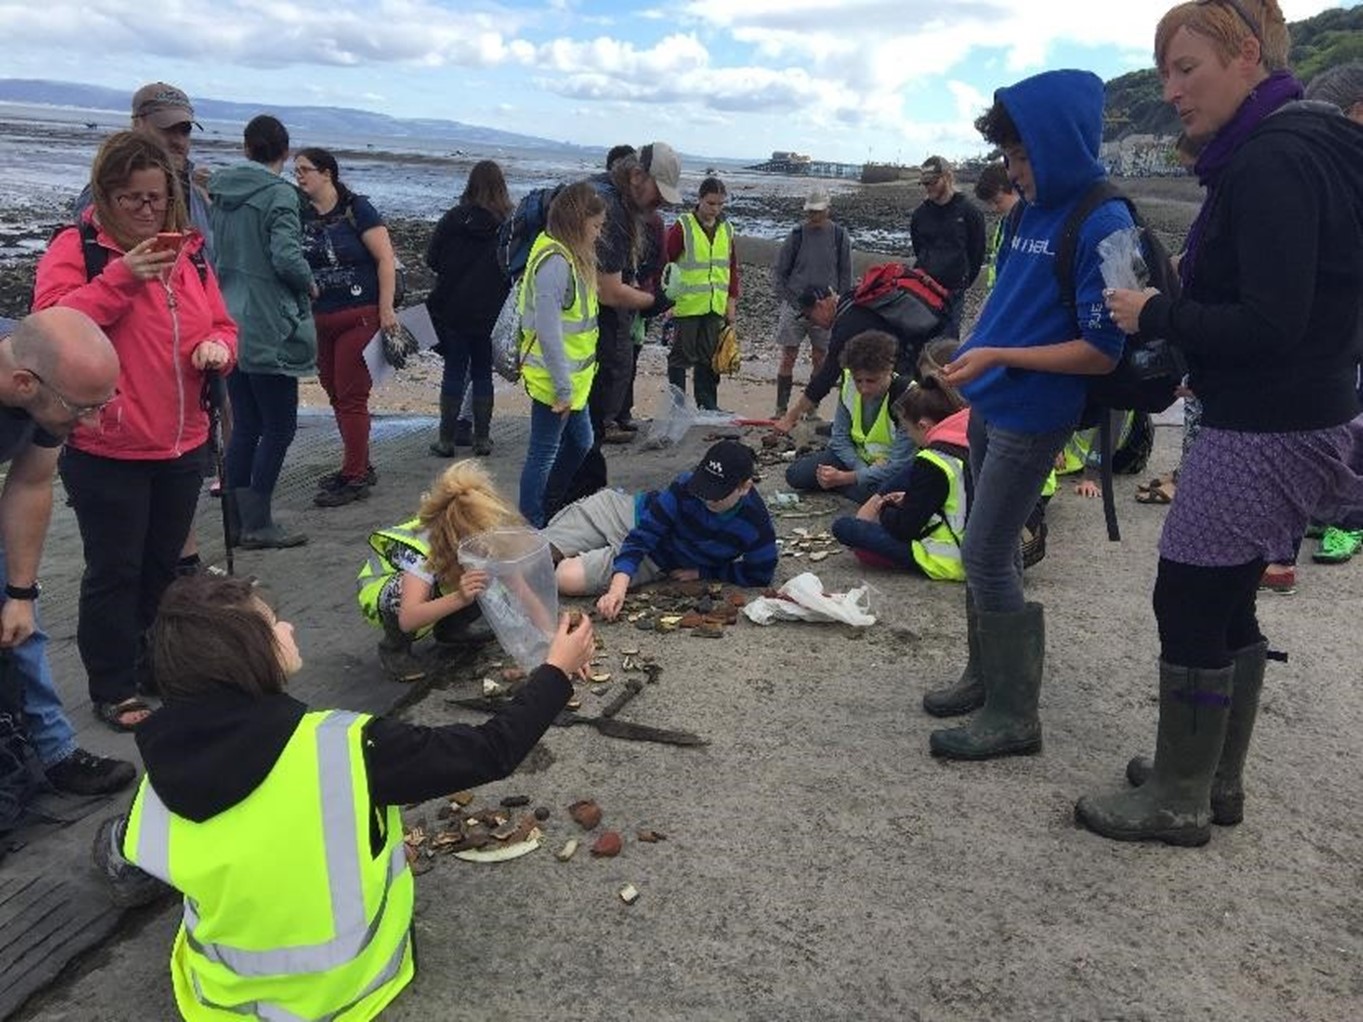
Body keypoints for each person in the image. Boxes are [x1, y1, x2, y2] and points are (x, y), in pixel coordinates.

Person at [1076, 1, 1363, 846]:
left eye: (1184, 68)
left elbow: (1269, 320)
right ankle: (1212, 779)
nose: (1170, 90)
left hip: (1263, 422)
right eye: (1163, 71)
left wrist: (1157, 312)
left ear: (1246, 58)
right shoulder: (1314, 146)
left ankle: (1177, 796)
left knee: (1189, 596)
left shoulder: (1271, 160)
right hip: (1308, 410)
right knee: (1229, 590)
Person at [91, 573, 595, 1020]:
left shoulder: (154, 779)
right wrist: (555, 671)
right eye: (274, 624)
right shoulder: (346, 745)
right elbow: (492, 750)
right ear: (249, 655)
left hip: (218, 1002)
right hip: (347, 991)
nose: (289, 629)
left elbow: (140, 856)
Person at [924, 71, 1134, 757]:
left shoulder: (1106, 220)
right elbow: (1008, 303)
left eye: (1023, 156)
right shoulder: (1022, 212)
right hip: (992, 400)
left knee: (986, 552)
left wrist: (996, 357)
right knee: (979, 545)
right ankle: (983, 677)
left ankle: (1016, 716)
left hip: (1035, 411)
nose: (1013, 172)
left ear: (1062, 143)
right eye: (1008, 158)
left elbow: (1101, 352)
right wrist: (972, 354)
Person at [33, 131, 238, 732]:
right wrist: (122, 276)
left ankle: (157, 666)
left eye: (157, 198)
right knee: (114, 569)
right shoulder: (79, 249)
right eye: (133, 199)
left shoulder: (191, 253)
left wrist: (217, 348)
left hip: (182, 438)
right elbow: (53, 330)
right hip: (108, 442)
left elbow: (224, 324)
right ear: (105, 195)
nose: (148, 210)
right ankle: (112, 683)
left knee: (162, 569)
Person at [73, 81, 217, 575]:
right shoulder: (92, 212)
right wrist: (122, 278)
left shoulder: (195, 196)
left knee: (163, 547)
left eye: (184, 129)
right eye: (167, 130)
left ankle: (186, 564)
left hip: (184, 400)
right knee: (118, 569)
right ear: (138, 126)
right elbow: (60, 321)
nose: (178, 139)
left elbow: (206, 276)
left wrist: (219, 336)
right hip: (117, 419)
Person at [0, 311, 136, 794]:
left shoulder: (46, 376)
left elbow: (31, 484)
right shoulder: (40, 383)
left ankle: (55, 753)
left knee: (21, 628)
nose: (94, 423)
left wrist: (19, 593)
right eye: (83, 409)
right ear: (22, 385)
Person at [209, 114, 315, 550]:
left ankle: (236, 521)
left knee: (248, 423)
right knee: (279, 425)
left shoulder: (220, 191)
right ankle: (258, 521)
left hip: (228, 313)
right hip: (268, 319)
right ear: (284, 154)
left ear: (246, 147)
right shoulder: (279, 196)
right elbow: (286, 256)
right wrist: (308, 282)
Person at [561, 142, 682, 509]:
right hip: (584, 336)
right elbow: (609, 291)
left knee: (580, 431)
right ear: (636, 176)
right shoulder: (608, 207)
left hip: (578, 333)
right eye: (657, 195)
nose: (658, 205)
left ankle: (580, 500)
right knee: (584, 428)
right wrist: (655, 301)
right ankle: (571, 508)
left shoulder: (601, 192)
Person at [547, 440, 777, 618]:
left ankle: (577, 559)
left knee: (565, 578)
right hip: (627, 513)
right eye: (703, 488)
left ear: (745, 487)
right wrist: (618, 588)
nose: (707, 499)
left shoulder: (754, 523)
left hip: (655, 555)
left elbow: (760, 573)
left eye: (716, 495)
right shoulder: (685, 484)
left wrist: (705, 572)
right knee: (537, 552)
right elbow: (644, 534)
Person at [295, 147, 400, 507]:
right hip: (321, 319)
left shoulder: (357, 208)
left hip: (360, 315)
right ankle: (358, 464)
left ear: (327, 173)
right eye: (296, 171)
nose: (300, 177)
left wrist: (386, 310)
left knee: (352, 396)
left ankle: (354, 477)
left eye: (306, 170)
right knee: (335, 393)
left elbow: (386, 259)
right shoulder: (301, 212)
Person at [357, 460, 517, 681]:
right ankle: (394, 649)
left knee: (481, 573)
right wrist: (460, 597)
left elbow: (518, 582)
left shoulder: (478, 536)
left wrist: (547, 635)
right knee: (404, 592)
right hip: (387, 594)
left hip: (439, 584)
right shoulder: (422, 549)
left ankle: (452, 628)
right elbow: (409, 618)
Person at [517, 182, 607, 528]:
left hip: (574, 379)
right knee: (543, 452)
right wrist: (563, 387)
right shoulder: (555, 261)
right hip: (554, 380)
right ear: (577, 221)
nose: (598, 235)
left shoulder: (569, 256)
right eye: (596, 226)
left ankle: (549, 504)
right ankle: (532, 522)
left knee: (581, 442)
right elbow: (549, 330)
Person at [830, 375, 970, 578]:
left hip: (950, 560)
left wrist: (886, 508)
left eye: (908, 429)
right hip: (990, 550)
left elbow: (905, 529)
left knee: (845, 528)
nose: (910, 436)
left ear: (923, 426)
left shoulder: (932, 461)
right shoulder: (972, 438)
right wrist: (910, 499)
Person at [425, 160, 513, 457]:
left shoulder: (454, 219)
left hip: (454, 307)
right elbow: (514, 268)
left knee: (453, 370)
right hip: (491, 312)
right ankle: (482, 438)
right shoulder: (507, 226)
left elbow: (432, 259)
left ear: (470, 184)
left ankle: (446, 439)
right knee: (482, 373)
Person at [772, 281, 934, 434]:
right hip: (917, 344)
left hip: (908, 360)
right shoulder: (852, 299)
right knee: (854, 374)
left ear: (820, 305)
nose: (813, 324)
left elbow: (826, 377)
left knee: (873, 384)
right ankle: (846, 424)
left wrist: (790, 418)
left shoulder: (846, 326)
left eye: (809, 317)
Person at [785, 331, 914, 504]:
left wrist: (846, 478)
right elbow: (839, 438)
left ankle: (842, 484)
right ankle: (847, 484)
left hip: (888, 466)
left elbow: (899, 463)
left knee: (883, 491)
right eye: (858, 380)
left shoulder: (907, 395)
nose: (864, 388)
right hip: (855, 457)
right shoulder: (848, 382)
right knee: (796, 475)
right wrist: (858, 468)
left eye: (871, 381)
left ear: (889, 370)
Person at [772, 187, 852, 417]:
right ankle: (780, 409)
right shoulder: (797, 235)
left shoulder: (839, 236)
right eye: (810, 212)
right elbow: (779, 271)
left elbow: (846, 273)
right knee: (788, 355)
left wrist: (840, 306)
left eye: (817, 212)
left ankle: (812, 409)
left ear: (828, 210)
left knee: (820, 358)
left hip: (826, 309)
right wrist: (787, 299)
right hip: (795, 306)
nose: (813, 216)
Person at [663, 176, 740, 411]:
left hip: (714, 305)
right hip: (687, 305)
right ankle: (677, 406)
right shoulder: (683, 226)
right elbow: (666, 264)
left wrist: (731, 301)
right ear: (700, 200)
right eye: (711, 203)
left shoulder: (726, 229)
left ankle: (708, 404)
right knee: (681, 356)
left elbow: (731, 267)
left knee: (709, 357)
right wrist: (667, 302)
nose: (715, 209)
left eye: (720, 204)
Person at [910, 156, 986, 338]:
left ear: (947, 177)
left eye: (933, 182)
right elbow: (918, 247)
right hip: (924, 285)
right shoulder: (920, 214)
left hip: (954, 289)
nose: (928, 187)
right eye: (925, 183)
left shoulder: (969, 212)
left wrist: (964, 280)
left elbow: (977, 251)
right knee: (920, 337)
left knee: (947, 342)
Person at [972, 162, 1022, 293]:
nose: (994, 208)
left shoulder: (1029, 227)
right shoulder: (1004, 223)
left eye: (997, 201)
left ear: (1016, 189)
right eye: (989, 204)